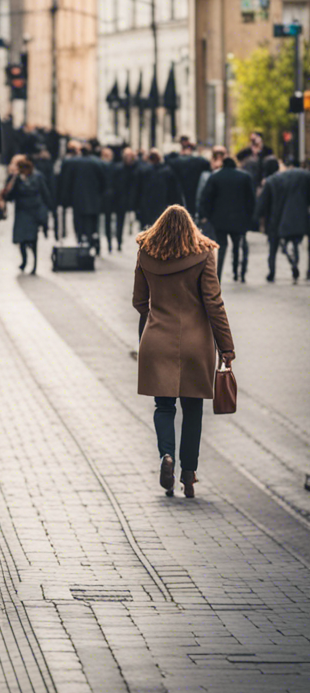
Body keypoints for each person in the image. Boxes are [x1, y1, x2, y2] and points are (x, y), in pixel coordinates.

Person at [132, 205, 235, 499]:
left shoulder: (145, 253)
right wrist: (226, 346)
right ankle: (189, 475)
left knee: (164, 407)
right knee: (192, 410)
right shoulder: (203, 255)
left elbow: (140, 302)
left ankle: (167, 456)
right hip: (195, 344)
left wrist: (155, 314)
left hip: (157, 340)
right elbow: (214, 304)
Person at [199, 156, 255, 281]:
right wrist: (249, 217)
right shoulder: (245, 177)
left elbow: (206, 198)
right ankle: (239, 272)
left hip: (219, 220)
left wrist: (206, 215)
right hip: (239, 218)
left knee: (221, 247)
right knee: (238, 245)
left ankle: (217, 275)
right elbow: (251, 200)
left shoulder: (215, 177)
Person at [2, 155, 53, 274]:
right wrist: (13, 177)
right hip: (23, 211)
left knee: (31, 239)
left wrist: (48, 208)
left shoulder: (37, 177)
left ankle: (33, 264)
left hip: (31, 211)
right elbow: (8, 195)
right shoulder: (17, 178)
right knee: (23, 239)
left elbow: (45, 193)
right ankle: (25, 262)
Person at [57, 140, 106, 251]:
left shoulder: (72, 162)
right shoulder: (98, 163)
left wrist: (65, 199)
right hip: (93, 199)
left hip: (78, 199)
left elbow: (66, 182)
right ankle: (92, 242)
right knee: (92, 224)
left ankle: (81, 243)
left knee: (79, 224)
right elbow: (104, 182)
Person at [277, 162, 310, 282]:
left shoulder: (283, 176)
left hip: (287, 213)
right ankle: (308, 271)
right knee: (299, 242)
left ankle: (293, 262)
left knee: (285, 242)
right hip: (303, 214)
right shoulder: (306, 175)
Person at [135, 149, 184, 227]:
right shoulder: (168, 172)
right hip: (163, 207)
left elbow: (137, 191)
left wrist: (136, 207)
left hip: (146, 208)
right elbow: (174, 192)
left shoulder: (143, 171)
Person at [168, 137, 211, 217]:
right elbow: (208, 166)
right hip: (194, 193)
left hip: (178, 195)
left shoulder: (174, 162)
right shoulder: (199, 161)